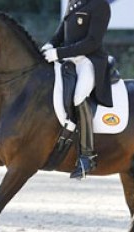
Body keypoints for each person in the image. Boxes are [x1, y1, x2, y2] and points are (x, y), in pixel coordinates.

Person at [42, 0, 113, 179]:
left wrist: (59, 53)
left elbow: (92, 42)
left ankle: (87, 156)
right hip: (69, 58)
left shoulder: (100, 6)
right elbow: (62, 30)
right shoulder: (73, 3)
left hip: (89, 60)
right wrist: (50, 44)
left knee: (79, 96)